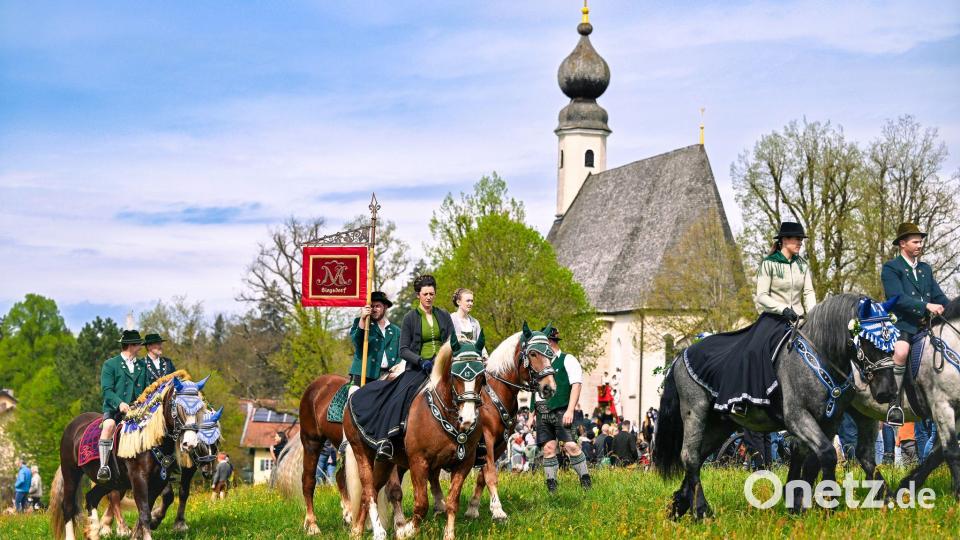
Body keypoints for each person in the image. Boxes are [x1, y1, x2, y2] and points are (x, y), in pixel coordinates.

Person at [349, 274, 454, 460]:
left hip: (445, 367)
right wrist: (421, 361)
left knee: (470, 388)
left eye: (431, 293)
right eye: (425, 294)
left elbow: (452, 342)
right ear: (418, 295)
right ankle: (386, 439)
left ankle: (476, 442)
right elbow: (404, 350)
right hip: (420, 368)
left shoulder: (444, 315)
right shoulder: (410, 318)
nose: (429, 297)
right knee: (398, 394)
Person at [881, 222, 951, 426]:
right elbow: (897, 298)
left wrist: (953, 310)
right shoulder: (891, 268)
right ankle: (894, 404)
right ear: (902, 244)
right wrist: (926, 305)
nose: (920, 245)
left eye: (921, 241)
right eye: (915, 241)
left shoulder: (925, 269)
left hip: (927, 326)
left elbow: (939, 296)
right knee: (901, 351)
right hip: (902, 324)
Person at [530, 325, 592, 493]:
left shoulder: (568, 359)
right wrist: (531, 415)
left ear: (551, 342)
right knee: (548, 449)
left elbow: (576, 385)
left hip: (561, 410)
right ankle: (552, 487)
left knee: (571, 446)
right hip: (543, 411)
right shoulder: (540, 364)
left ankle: (585, 480)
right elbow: (536, 392)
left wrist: (570, 410)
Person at [98, 329, 147, 482]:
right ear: (131, 346)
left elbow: (147, 388)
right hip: (115, 410)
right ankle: (103, 466)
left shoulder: (142, 365)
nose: (141, 347)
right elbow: (106, 390)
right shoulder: (110, 364)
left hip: (138, 411)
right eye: (138, 344)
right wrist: (119, 403)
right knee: (109, 426)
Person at [347, 291, 402, 391]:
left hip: (388, 377)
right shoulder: (360, 322)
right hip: (363, 375)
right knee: (354, 396)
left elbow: (401, 354)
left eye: (377, 306)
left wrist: (397, 369)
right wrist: (363, 319)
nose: (374, 309)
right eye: (371, 306)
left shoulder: (396, 331)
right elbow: (357, 342)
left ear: (385, 307)